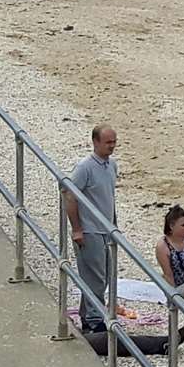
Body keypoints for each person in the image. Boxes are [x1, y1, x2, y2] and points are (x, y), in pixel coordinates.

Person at [64, 125, 119, 335]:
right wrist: (77, 228)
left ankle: (88, 314)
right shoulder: (84, 167)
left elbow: (109, 197)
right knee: (94, 276)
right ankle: (95, 321)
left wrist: (114, 225)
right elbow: (69, 194)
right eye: (108, 142)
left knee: (104, 276)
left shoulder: (112, 165)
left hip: (106, 229)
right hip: (90, 230)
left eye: (114, 142)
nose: (112, 146)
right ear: (95, 142)